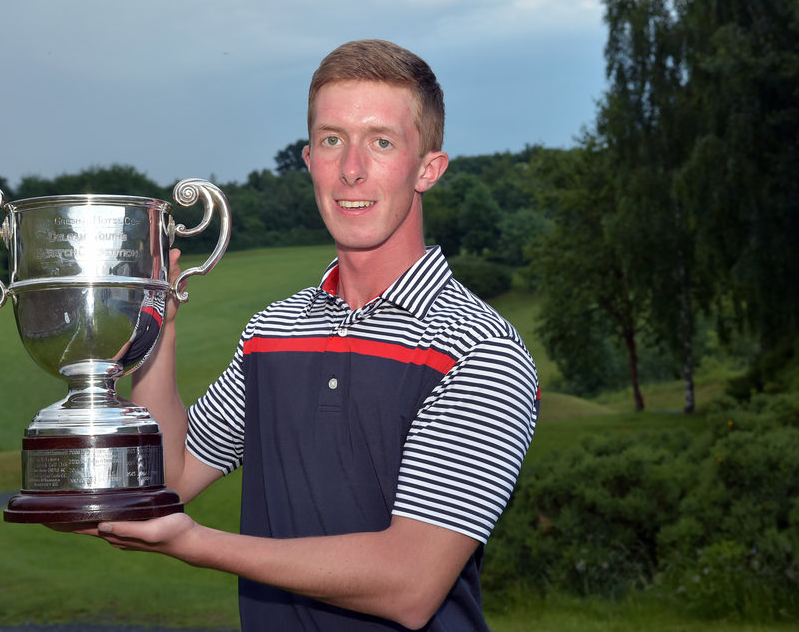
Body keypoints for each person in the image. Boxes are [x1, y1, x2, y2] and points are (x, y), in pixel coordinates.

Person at [58, 39, 539, 631]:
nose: (352, 168)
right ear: (309, 159)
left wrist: (195, 543)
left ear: (427, 169)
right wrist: (157, 331)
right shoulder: (274, 331)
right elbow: (172, 477)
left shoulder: (480, 350)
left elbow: (410, 585)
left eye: (382, 142)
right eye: (333, 140)